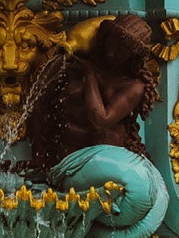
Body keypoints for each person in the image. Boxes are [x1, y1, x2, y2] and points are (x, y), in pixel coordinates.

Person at [23, 13, 162, 176]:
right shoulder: (75, 64)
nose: (111, 53)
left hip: (105, 162)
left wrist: (90, 76)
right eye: (110, 43)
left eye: (120, 51)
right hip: (63, 157)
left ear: (133, 56)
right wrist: (39, 154)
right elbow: (38, 105)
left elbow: (100, 120)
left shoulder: (134, 86)